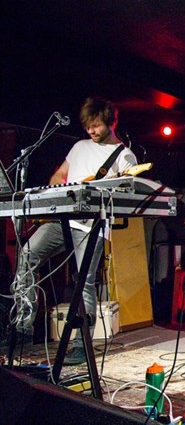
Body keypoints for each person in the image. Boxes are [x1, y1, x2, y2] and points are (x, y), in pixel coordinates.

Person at [7, 97, 137, 364]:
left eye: (97, 126)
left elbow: (126, 193)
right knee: (27, 255)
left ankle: (81, 343)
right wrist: (58, 186)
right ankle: (22, 327)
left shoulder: (124, 156)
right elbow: (59, 176)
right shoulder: (79, 146)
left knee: (83, 282)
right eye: (88, 126)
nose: (91, 131)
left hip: (91, 226)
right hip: (61, 219)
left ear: (111, 122)